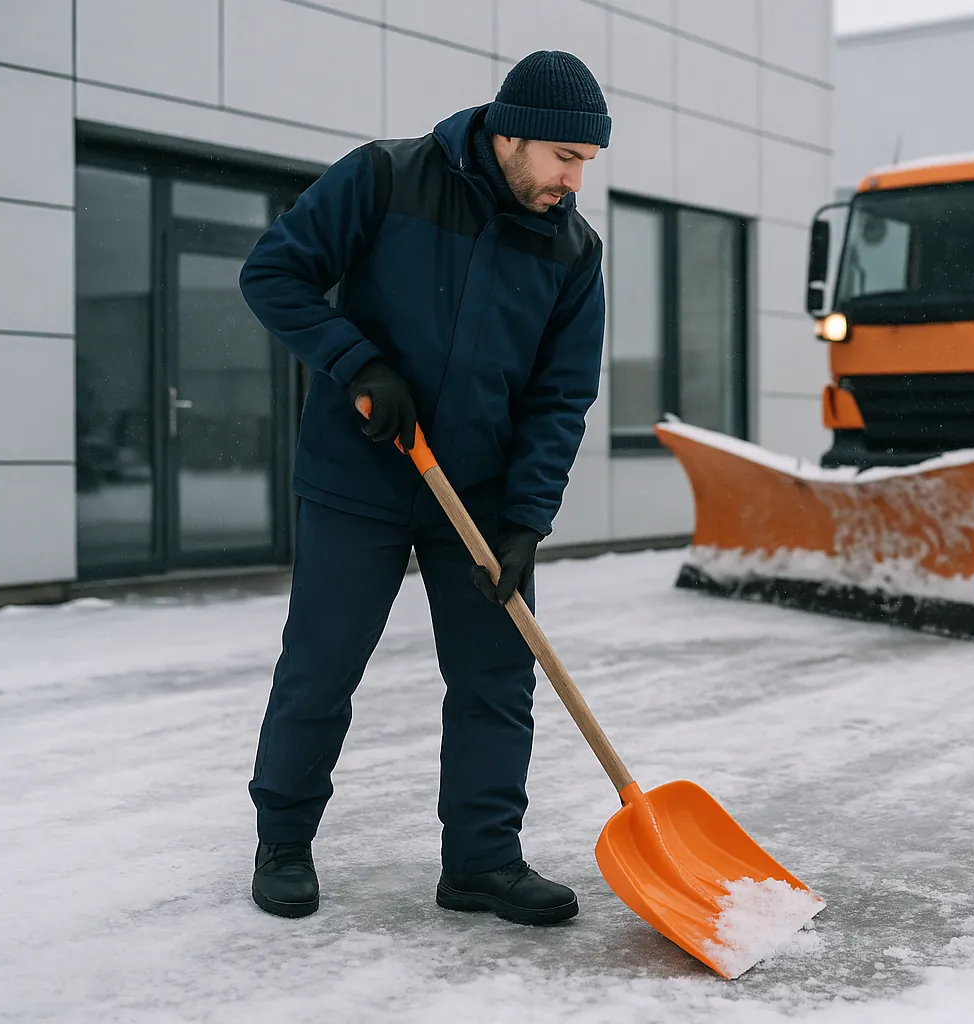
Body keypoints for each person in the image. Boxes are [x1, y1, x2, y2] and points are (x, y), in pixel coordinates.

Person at [236, 50, 610, 925]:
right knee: (322, 665)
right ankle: (284, 841)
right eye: (564, 157)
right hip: (356, 474)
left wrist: (525, 520)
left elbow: (561, 397)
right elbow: (273, 275)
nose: (574, 179)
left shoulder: (572, 249)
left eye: (586, 162)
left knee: (495, 677)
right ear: (510, 133)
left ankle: (481, 861)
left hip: (476, 493)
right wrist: (357, 361)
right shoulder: (384, 177)